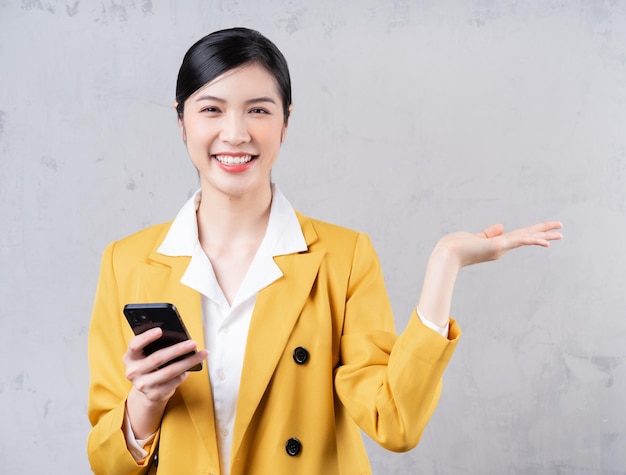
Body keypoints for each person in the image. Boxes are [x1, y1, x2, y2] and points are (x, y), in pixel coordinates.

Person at [86, 27, 562, 475]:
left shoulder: (344, 257)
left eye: (258, 110)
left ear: (286, 121)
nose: (235, 133)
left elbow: (393, 422)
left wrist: (445, 264)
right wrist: (144, 404)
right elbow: (106, 461)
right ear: (182, 121)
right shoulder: (126, 263)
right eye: (211, 109)